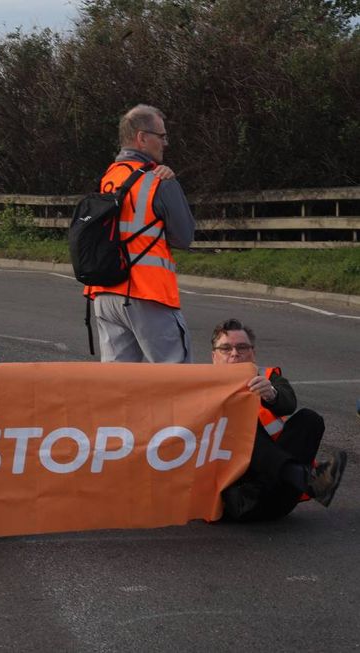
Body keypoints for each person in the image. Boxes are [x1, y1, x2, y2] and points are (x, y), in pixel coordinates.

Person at [84, 104, 196, 363]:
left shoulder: (107, 177)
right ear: (142, 138)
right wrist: (170, 185)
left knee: (118, 385)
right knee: (176, 377)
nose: (165, 143)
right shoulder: (158, 179)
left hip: (105, 292)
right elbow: (184, 236)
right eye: (162, 136)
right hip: (146, 292)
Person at [211, 319, 346, 521]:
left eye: (242, 347)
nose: (234, 353)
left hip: (274, 494)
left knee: (310, 419)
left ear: (252, 353)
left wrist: (271, 395)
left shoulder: (267, 378)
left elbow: (288, 402)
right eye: (225, 348)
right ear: (214, 356)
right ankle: (306, 479)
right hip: (234, 499)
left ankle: (297, 478)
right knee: (236, 425)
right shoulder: (199, 385)